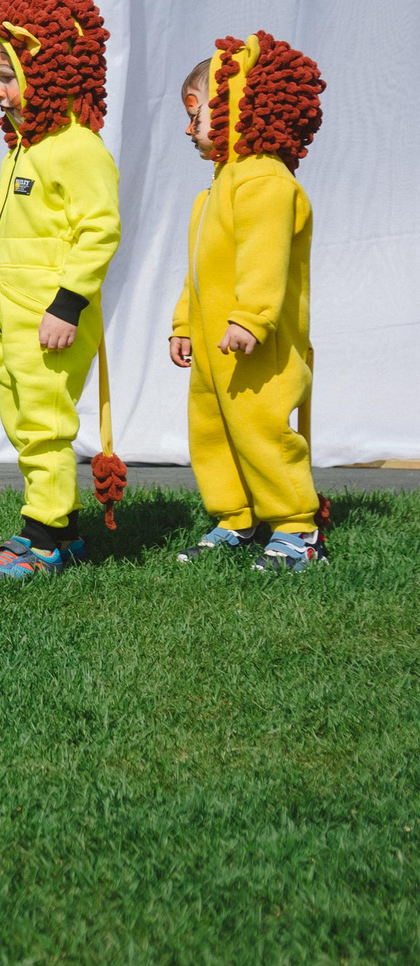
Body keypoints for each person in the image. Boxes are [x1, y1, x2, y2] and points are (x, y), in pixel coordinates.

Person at [0, 0, 120, 584]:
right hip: (9, 314)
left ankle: (44, 540)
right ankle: (62, 533)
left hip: (50, 319)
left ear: (48, 69)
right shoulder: (23, 151)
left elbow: (99, 230)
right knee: (22, 422)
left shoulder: (78, 149)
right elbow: (5, 242)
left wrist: (69, 304)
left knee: (44, 424)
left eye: (7, 76)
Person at [169, 32, 328, 571]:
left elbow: (264, 259)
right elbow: (197, 272)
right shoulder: (213, 192)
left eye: (198, 113)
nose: (189, 129)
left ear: (236, 103)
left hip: (256, 343)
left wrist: (252, 318)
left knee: (263, 430)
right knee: (213, 430)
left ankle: (297, 528)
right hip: (217, 349)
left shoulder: (263, 180)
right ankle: (236, 516)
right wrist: (184, 322)